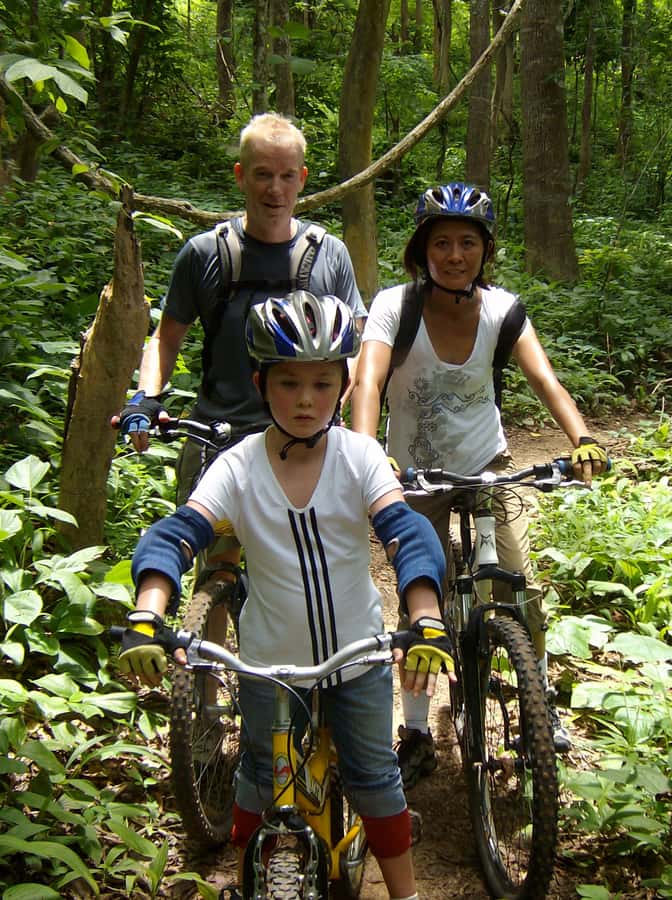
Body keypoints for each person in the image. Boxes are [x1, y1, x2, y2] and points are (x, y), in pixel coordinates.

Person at [117, 292, 454, 900]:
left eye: (323, 383)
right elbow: (178, 534)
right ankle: (248, 879)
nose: (305, 399)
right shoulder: (237, 465)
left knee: (376, 779)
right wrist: (148, 610)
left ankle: (404, 895)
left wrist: (425, 616)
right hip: (269, 665)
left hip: (357, 656)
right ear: (260, 383)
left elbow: (407, 533)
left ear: (344, 385)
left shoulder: (360, 457)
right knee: (254, 781)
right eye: (288, 381)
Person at [351, 182, 608, 784]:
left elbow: (545, 379)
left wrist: (582, 439)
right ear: (422, 250)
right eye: (442, 242)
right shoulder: (395, 306)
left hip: (488, 466)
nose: (455, 254)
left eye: (468, 242)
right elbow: (368, 382)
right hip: (413, 477)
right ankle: (415, 728)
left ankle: (535, 706)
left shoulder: (502, 310)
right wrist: (366, 451)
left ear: (485, 251)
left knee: (519, 585)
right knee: (424, 596)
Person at [114, 112, 366, 576]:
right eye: (263, 175)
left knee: (305, 569)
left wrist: (332, 409)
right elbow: (166, 338)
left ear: (302, 179)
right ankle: (210, 643)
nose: (275, 189)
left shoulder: (329, 254)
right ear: (241, 177)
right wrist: (146, 398)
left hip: (305, 440)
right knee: (218, 565)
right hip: (219, 435)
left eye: (287, 176)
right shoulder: (206, 254)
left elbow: (355, 347)